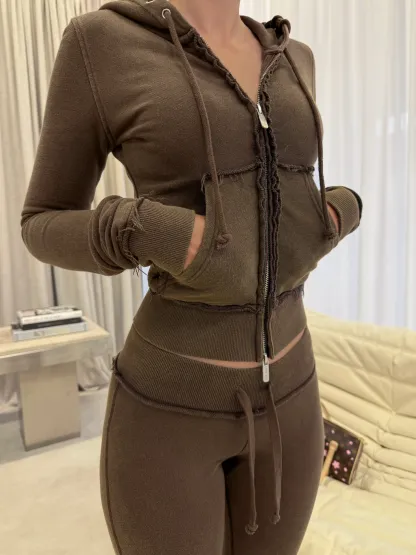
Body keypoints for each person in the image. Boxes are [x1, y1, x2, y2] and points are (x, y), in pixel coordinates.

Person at [21, 0, 363, 553]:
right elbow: (41, 222)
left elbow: (285, 187)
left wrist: (337, 212)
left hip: (294, 397)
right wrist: (147, 229)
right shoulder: (101, 42)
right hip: (170, 409)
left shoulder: (295, 57)